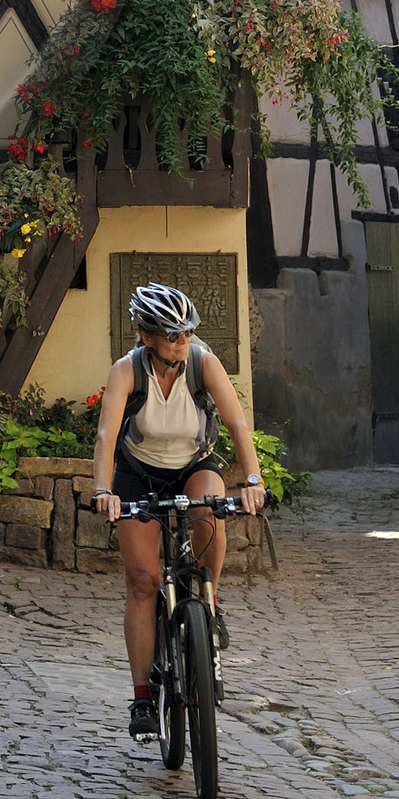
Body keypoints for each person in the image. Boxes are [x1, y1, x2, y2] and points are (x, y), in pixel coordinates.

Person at [91, 281, 266, 739]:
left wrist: (252, 480)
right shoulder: (126, 371)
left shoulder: (202, 362)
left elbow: (236, 421)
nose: (181, 341)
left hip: (194, 464)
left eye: (186, 332)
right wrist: (104, 490)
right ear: (147, 336)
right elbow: (107, 436)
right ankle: (143, 698)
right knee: (144, 581)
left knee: (209, 514)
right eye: (171, 334)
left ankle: (209, 602)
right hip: (138, 474)